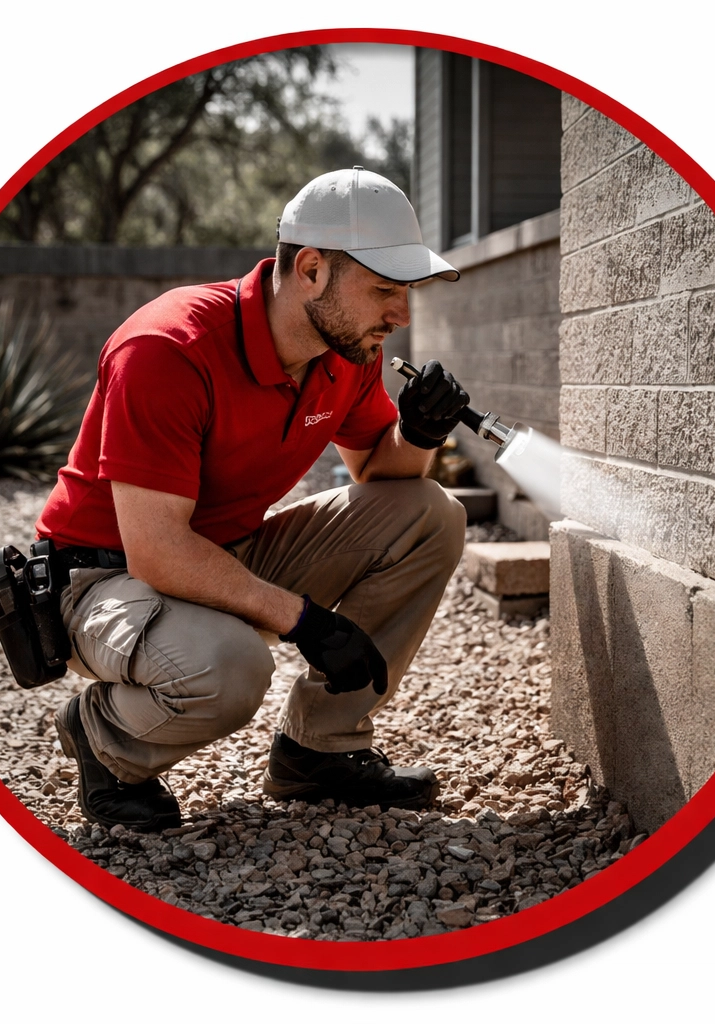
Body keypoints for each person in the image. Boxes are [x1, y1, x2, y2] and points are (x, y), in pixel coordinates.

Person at [36, 166, 472, 833]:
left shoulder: (348, 351)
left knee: (430, 512)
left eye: (405, 292)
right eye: (384, 289)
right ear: (311, 269)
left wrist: (418, 433)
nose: (401, 314)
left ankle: (319, 751)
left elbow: (383, 481)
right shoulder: (167, 349)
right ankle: (104, 739)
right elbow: (155, 551)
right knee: (233, 667)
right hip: (104, 576)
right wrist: (305, 621)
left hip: (217, 552)